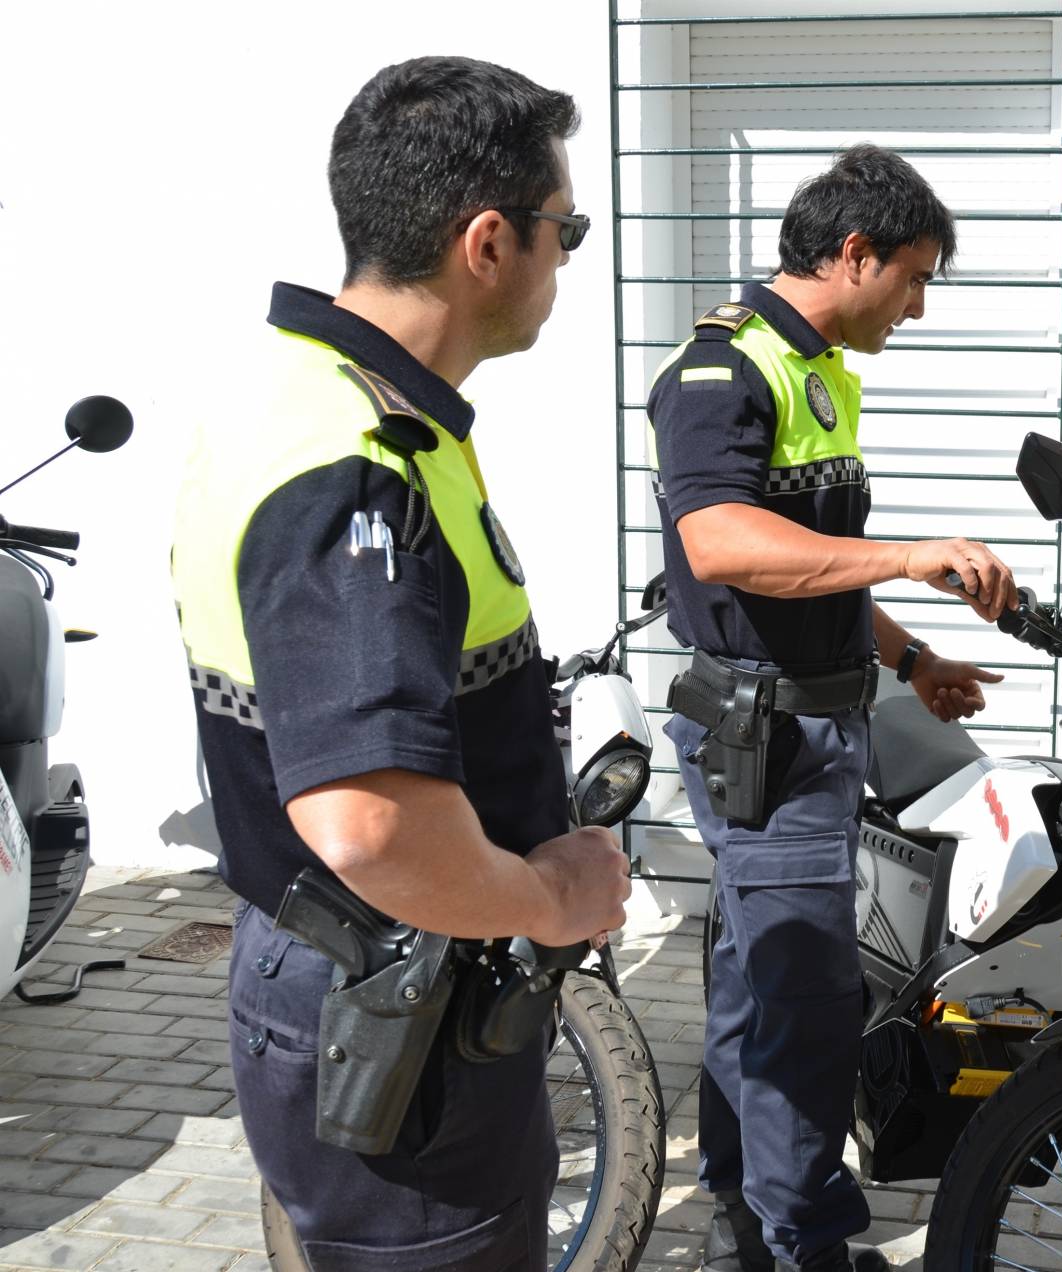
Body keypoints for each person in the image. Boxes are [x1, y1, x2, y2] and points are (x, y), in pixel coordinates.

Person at [171, 57, 629, 1269]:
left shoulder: (293, 391)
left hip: (355, 971)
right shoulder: (357, 461)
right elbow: (372, 826)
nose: (566, 259)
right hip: (400, 996)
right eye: (564, 229)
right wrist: (553, 899)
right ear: (489, 242)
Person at [646, 145, 1017, 1272]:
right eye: (913, 277)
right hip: (766, 736)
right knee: (807, 1004)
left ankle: (742, 1223)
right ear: (853, 254)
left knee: (756, 985)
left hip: (814, 721)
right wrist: (907, 557)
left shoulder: (818, 369)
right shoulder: (722, 371)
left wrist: (906, 661)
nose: (917, 305)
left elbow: (818, 562)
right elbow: (718, 543)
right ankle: (807, 1242)